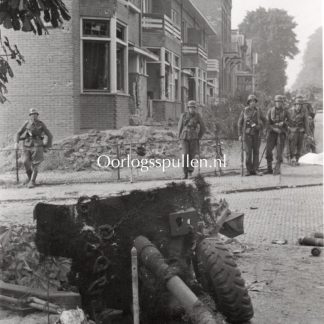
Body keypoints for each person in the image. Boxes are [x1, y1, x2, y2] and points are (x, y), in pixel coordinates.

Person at [15, 108, 53, 188]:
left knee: (36, 164)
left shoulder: (41, 124)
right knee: (25, 162)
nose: (34, 116)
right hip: (26, 146)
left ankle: (32, 181)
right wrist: (16, 143)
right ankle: (30, 179)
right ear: (30, 115)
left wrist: (47, 146)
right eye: (32, 114)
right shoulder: (26, 123)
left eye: (35, 114)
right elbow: (18, 133)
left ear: (37, 115)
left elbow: (49, 135)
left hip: (37, 146)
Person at [238, 94, 265, 176]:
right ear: (248, 102)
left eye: (254, 101)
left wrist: (262, 127)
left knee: (256, 152)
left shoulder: (259, 111)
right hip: (247, 135)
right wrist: (239, 135)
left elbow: (265, 120)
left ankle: (256, 169)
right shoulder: (244, 111)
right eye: (251, 101)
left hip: (257, 135)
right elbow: (239, 123)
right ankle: (249, 170)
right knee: (248, 153)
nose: (253, 103)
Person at [178, 100, 205, 179]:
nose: (192, 109)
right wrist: (179, 138)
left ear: (195, 108)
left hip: (194, 138)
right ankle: (185, 173)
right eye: (190, 108)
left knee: (192, 156)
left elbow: (203, 128)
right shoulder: (183, 115)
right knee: (185, 154)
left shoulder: (197, 116)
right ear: (188, 108)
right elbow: (180, 127)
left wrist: (198, 137)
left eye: (193, 108)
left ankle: (190, 172)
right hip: (184, 137)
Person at [265, 95, 289, 175]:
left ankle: (277, 168)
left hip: (281, 134)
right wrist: (273, 128)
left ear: (282, 103)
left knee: (279, 153)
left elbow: (290, 122)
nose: (278, 103)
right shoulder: (270, 110)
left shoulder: (285, 111)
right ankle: (269, 168)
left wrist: (284, 123)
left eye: (280, 102)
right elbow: (267, 123)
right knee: (268, 151)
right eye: (277, 102)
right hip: (272, 133)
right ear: (275, 102)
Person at [287, 98, 311, 165]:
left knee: (299, 146)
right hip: (293, 131)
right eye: (298, 104)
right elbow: (286, 121)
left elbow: (306, 123)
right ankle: (292, 159)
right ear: (295, 105)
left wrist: (307, 133)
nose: (299, 106)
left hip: (301, 131)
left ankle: (297, 160)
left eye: (300, 105)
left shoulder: (304, 112)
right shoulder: (290, 111)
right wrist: (289, 128)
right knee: (292, 146)